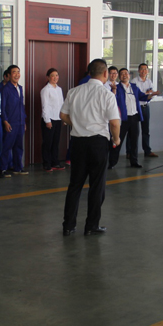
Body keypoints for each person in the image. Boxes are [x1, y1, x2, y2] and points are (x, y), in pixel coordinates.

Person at [60, 59, 120, 236]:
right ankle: (91, 225)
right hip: (98, 143)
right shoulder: (107, 94)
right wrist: (116, 139)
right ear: (105, 73)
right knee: (97, 185)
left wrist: (77, 124)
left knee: (75, 185)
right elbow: (114, 123)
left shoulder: (74, 91)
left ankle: (68, 226)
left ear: (89, 73)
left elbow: (63, 115)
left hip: (78, 143)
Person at [110, 67, 150, 169]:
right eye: (122, 74)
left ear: (129, 75)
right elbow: (113, 99)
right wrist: (113, 90)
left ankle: (134, 161)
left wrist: (151, 95)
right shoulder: (117, 87)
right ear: (119, 77)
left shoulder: (134, 87)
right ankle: (112, 162)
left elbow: (142, 96)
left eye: (126, 73)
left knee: (134, 141)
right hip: (123, 118)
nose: (124, 75)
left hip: (134, 117)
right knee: (118, 140)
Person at [0, 64, 27, 174]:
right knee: (7, 146)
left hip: (20, 122)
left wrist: (24, 121)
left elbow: (21, 106)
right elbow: (2, 107)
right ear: (9, 75)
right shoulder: (6, 89)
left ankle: (18, 167)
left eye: (18, 72)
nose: (17, 75)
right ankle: (3, 168)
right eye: (14, 72)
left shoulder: (20, 88)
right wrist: (5, 121)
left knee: (19, 146)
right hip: (11, 122)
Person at [41, 68, 66, 172]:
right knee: (48, 142)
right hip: (49, 119)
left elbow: (62, 104)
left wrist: (64, 118)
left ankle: (55, 162)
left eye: (57, 75)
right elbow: (45, 106)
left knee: (55, 142)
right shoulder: (45, 90)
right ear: (48, 77)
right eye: (53, 75)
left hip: (58, 118)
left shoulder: (59, 89)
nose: (55, 77)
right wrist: (47, 120)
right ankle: (46, 163)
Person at [133, 63, 160, 158]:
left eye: (145, 69)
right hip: (136, 107)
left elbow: (151, 94)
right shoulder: (134, 81)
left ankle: (147, 151)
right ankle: (130, 152)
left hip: (145, 106)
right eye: (142, 69)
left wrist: (150, 94)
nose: (144, 71)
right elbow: (136, 95)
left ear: (147, 71)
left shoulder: (149, 81)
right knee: (133, 130)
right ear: (138, 71)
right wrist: (146, 94)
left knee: (146, 130)